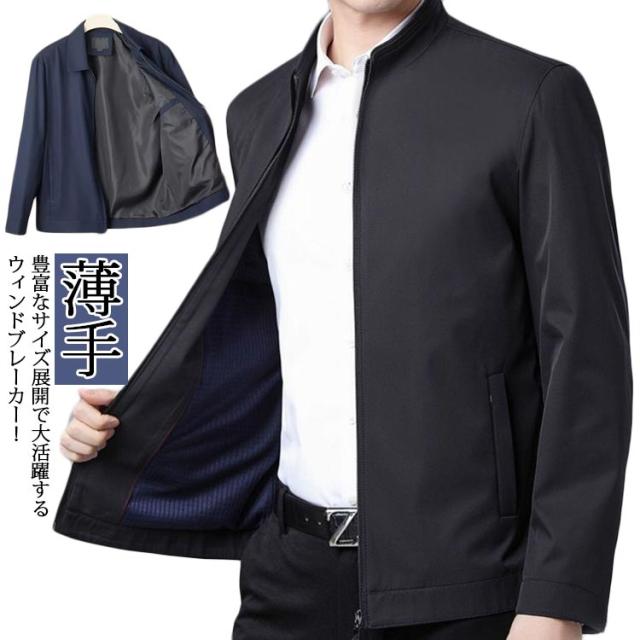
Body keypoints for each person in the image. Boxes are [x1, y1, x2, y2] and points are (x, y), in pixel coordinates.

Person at [58, 1, 632, 638]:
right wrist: (134, 419)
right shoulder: (259, 111)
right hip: (288, 578)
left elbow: (588, 360)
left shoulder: (531, 96)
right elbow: (272, 334)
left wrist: (556, 599)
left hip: (467, 586)